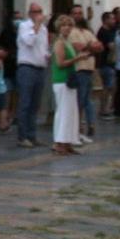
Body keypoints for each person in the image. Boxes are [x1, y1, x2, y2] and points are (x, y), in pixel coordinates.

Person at [14, 3, 49, 147]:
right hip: (27, 67)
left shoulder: (44, 29)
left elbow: (43, 48)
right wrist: (36, 26)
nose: (38, 14)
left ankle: (32, 134)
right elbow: (29, 41)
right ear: (30, 13)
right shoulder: (24, 26)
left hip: (40, 68)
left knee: (35, 105)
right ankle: (22, 136)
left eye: (40, 11)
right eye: (35, 12)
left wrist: (47, 56)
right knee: (25, 103)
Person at [49, 14, 81, 155]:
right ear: (59, 28)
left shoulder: (68, 42)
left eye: (69, 25)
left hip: (69, 79)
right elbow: (60, 63)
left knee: (70, 111)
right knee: (63, 111)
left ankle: (67, 141)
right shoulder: (59, 43)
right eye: (64, 25)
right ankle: (59, 142)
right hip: (62, 80)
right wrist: (77, 59)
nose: (67, 28)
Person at [68, 8, 100, 139]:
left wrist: (88, 47)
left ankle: (91, 124)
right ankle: (77, 126)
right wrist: (90, 46)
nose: (78, 15)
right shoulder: (71, 32)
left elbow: (100, 46)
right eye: (75, 13)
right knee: (79, 99)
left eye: (80, 13)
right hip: (78, 68)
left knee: (87, 99)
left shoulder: (87, 32)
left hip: (89, 67)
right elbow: (77, 47)